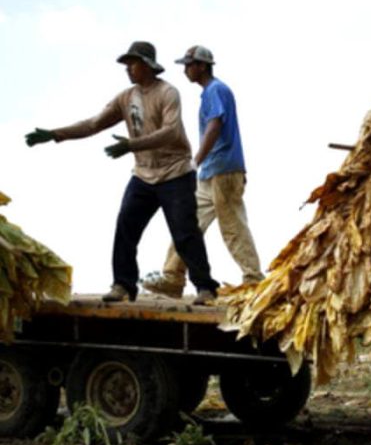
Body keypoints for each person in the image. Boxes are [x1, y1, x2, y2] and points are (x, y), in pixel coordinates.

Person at [25, 41, 220, 305]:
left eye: (134, 63)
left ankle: (205, 288)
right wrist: (56, 134)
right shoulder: (126, 98)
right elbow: (94, 123)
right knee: (126, 226)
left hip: (175, 173)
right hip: (143, 175)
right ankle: (123, 284)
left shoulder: (168, 93)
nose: (129, 69)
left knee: (185, 233)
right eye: (127, 64)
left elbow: (171, 131)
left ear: (148, 66)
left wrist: (132, 145)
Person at [142, 45, 263, 299]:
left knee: (232, 226)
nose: (185, 70)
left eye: (189, 65)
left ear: (202, 66)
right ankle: (173, 278)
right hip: (213, 173)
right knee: (186, 224)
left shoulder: (215, 91)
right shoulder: (210, 92)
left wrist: (196, 159)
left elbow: (215, 124)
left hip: (221, 170)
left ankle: (253, 279)